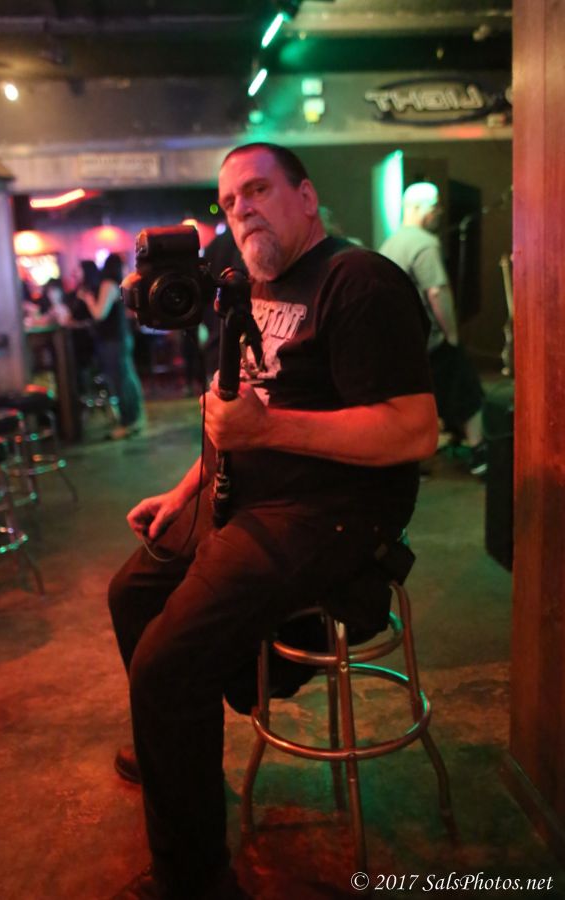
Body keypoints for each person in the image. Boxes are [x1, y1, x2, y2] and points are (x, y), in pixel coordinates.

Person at [108, 143, 437, 900]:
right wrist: (184, 491)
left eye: (257, 190)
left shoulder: (358, 280)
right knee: (131, 594)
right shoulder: (253, 286)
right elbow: (237, 416)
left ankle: (195, 880)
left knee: (166, 666)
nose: (242, 209)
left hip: (332, 514)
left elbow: (415, 430)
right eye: (230, 201)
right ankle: (176, 759)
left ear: (307, 196)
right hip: (251, 495)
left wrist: (268, 433)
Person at [379, 182, 487, 476]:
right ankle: (480, 453)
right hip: (429, 340)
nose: (440, 211)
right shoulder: (425, 244)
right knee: (467, 391)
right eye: (434, 205)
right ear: (416, 208)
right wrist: (451, 335)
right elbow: (437, 291)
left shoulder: (391, 243)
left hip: (401, 342)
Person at [80, 253, 145, 440]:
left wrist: (87, 299)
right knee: (127, 379)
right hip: (119, 338)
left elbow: (99, 313)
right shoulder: (117, 283)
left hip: (113, 340)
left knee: (121, 381)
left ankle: (128, 422)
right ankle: (134, 420)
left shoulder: (108, 284)